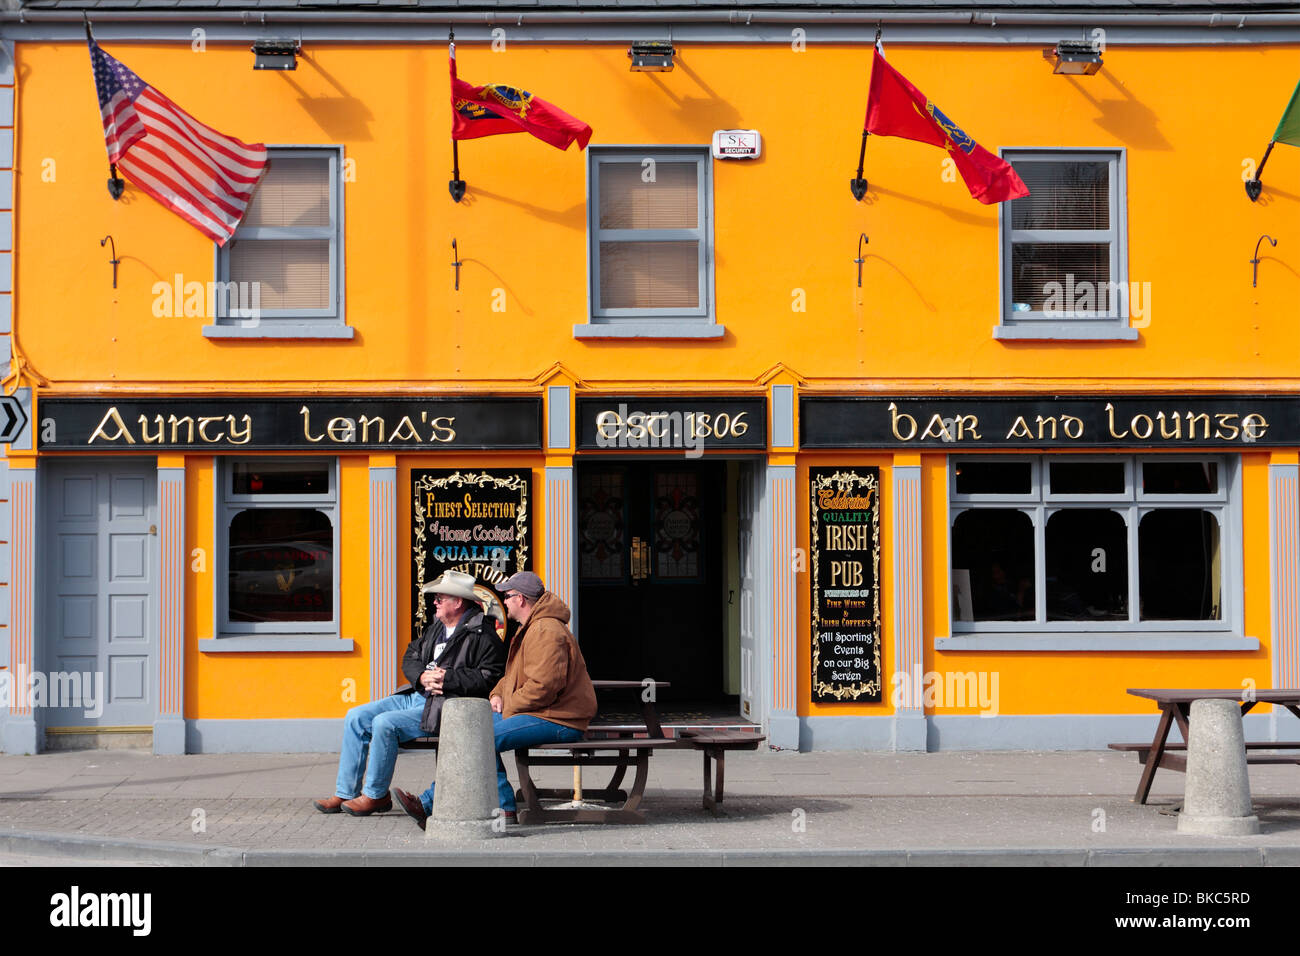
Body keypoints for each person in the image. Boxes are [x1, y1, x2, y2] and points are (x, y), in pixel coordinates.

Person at [392, 570, 595, 829]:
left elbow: (543, 688)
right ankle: (500, 807)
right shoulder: (532, 627)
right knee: (472, 732)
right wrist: (498, 693)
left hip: (561, 718)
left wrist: (507, 704)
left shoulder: (546, 631)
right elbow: (511, 676)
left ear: (521, 599)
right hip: (542, 712)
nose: (504, 601)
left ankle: (434, 803)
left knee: (479, 738)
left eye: (507, 596)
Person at [313, 570, 506, 816]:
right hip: (419, 695)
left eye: (440, 598)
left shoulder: (482, 633)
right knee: (356, 716)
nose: (434, 602)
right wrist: (422, 677)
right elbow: (410, 656)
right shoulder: (437, 627)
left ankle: (375, 795)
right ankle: (346, 791)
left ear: (457, 602)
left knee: (385, 723)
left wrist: (448, 679)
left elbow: (489, 677)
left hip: (446, 704)